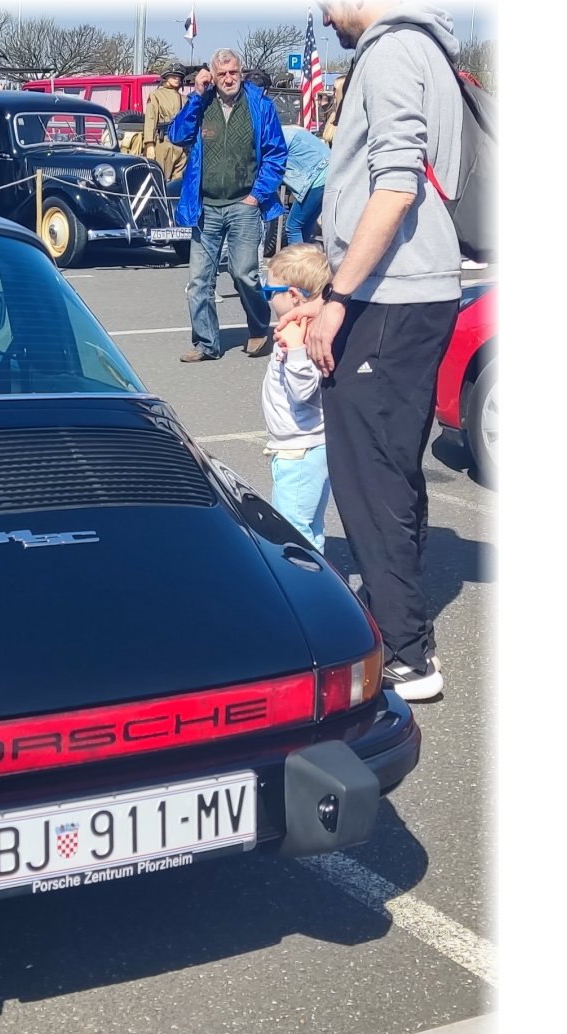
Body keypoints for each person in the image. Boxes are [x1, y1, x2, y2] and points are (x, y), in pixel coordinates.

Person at [276, 0, 465, 702]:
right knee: (393, 461)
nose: (325, 18)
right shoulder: (428, 47)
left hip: (392, 291)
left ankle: (406, 652)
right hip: (414, 287)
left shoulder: (390, 51)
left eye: (326, 4)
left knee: (368, 469)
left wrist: (337, 298)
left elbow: (395, 186)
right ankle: (398, 611)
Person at [166, 47, 287, 363]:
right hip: (205, 206)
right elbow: (177, 135)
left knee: (244, 273)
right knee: (199, 282)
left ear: (241, 73)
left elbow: (276, 154)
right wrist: (196, 95)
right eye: (222, 74)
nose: (229, 78)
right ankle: (206, 343)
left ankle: (259, 328)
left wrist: (256, 196)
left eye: (233, 72)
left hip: (244, 204)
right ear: (213, 76)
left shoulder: (260, 106)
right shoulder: (202, 103)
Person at [259, 244, 333, 551]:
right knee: (308, 525)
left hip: (300, 450)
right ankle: (316, 570)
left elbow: (303, 391)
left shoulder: (302, 336)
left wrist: (297, 350)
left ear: (292, 295)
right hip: (303, 446)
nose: (267, 298)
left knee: (292, 528)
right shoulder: (300, 329)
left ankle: (302, 576)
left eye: (269, 291)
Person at [280, 124, 331, 244]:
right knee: (305, 225)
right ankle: (307, 254)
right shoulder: (289, 131)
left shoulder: (278, 138)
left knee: (293, 226)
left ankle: (298, 256)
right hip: (330, 173)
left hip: (317, 177)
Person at [142, 67, 187, 181]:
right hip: (163, 141)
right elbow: (151, 119)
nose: (177, 79)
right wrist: (149, 144)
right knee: (160, 180)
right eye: (173, 75)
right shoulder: (156, 95)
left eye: (179, 76)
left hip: (181, 144)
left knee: (178, 183)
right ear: (166, 77)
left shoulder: (185, 99)